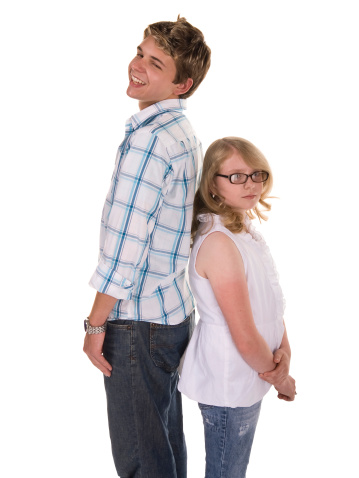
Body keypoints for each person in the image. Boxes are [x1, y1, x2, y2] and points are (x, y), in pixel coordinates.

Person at [83, 16, 211, 478]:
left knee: (142, 460)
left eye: (156, 63)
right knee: (165, 447)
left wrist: (94, 323)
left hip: (136, 322)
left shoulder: (150, 141)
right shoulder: (182, 134)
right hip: (172, 314)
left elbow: (125, 247)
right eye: (140, 53)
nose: (137, 66)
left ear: (182, 84)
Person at [178, 137, 296, 478]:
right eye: (236, 176)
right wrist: (281, 379)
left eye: (256, 174)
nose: (251, 184)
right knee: (227, 472)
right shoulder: (219, 242)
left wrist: (285, 351)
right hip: (231, 377)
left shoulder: (242, 229)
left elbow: (269, 302)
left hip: (254, 368)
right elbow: (243, 336)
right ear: (213, 184)